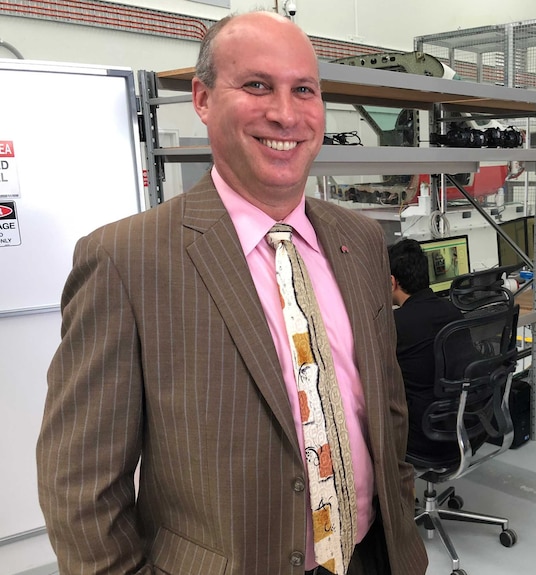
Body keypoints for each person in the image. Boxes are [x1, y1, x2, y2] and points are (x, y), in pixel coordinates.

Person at [36, 12, 427, 575]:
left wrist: (402, 534)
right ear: (202, 98)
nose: (285, 114)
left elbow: (385, 410)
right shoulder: (125, 260)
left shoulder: (361, 240)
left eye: (304, 91)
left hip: (370, 555)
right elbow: (80, 484)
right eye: (257, 85)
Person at [388, 238, 464, 458]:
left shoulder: (396, 323)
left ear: (392, 282)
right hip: (462, 426)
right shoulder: (452, 310)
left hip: (423, 436)